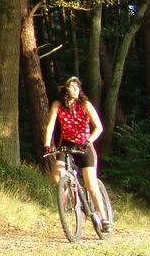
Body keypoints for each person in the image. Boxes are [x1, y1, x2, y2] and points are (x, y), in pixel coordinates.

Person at [43, 76, 108, 230]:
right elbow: (50, 126)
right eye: (72, 87)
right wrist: (47, 144)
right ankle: (71, 196)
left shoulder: (85, 104)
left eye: (77, 87)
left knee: (91, 185)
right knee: (56, 175)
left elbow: (99, 127)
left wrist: (89, 141)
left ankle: (104, 218)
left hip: (84, 145)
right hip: (66, 144)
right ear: (66, 89)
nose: (75, 90)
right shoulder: (57, 105)